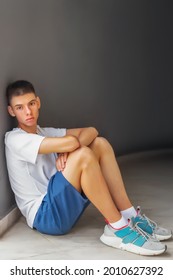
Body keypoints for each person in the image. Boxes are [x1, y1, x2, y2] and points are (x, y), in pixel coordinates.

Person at [5, 80, 172, 256]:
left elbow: (91, 131)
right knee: (83, 154)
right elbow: (72, 142)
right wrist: (69, 149)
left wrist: (66, 151)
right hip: (44, 216)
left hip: (58, 202)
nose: (28, 112)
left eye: (31, 104)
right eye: (20, 107)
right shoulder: (15, 139)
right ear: (11, 111)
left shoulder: (44, 132)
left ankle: (130, 215)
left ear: (38, 102)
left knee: (100, 144)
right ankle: (118, 228)